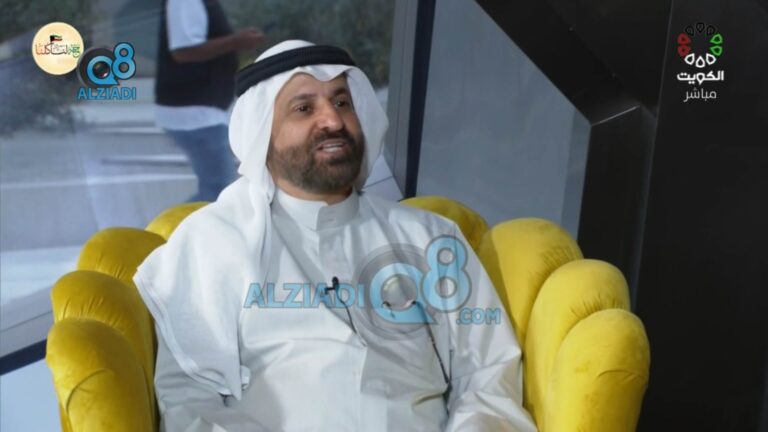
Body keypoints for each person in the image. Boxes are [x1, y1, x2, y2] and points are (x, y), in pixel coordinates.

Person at [135, 40, 537, 432]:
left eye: (342, 102)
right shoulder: (211, 243)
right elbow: (189, 401)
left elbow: (488, 375)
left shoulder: (431, 238)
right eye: (304, 108)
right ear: (262, 135)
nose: (332, 120)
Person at [155, 0, 264, 202]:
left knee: (217, 189)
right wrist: (236, 41)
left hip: (199, 110)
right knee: (219, 191)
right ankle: (178, 224)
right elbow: (183, 51)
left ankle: (181, 222)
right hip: (193, 112)